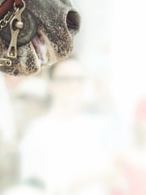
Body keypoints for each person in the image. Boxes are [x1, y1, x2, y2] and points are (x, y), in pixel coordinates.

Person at [17, 58, 115, 195]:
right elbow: (41, 186)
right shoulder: (38, 131)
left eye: (79, 79)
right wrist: (97, 173)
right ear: (51, 84)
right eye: (66, 79)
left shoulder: (93, 127)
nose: (74, 85)